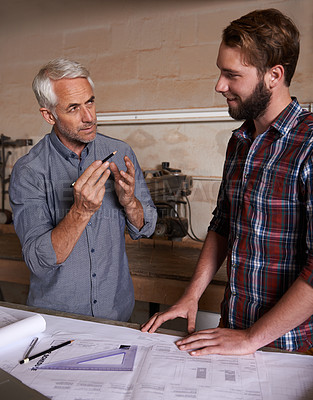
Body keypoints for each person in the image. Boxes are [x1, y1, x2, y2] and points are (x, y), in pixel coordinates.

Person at [141, 8, 313, 354]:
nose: (220, 86)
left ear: (273, 75)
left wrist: (252, 338)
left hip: (292, 348)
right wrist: (192, 296)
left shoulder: (309, 145)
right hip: (233, 332)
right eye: (221, 72)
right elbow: (222, 224)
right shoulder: (241, 141)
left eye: (231, 75)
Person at [9, 58, 157, 321]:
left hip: (117, 314)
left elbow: (146, 227)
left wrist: (129, 201)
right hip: (56, 319)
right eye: (74, 108)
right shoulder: (29, 171)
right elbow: (40, 261)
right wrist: (81, 211)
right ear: (49, 115)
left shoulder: (121, 153)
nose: (89, 117)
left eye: (90, 102)